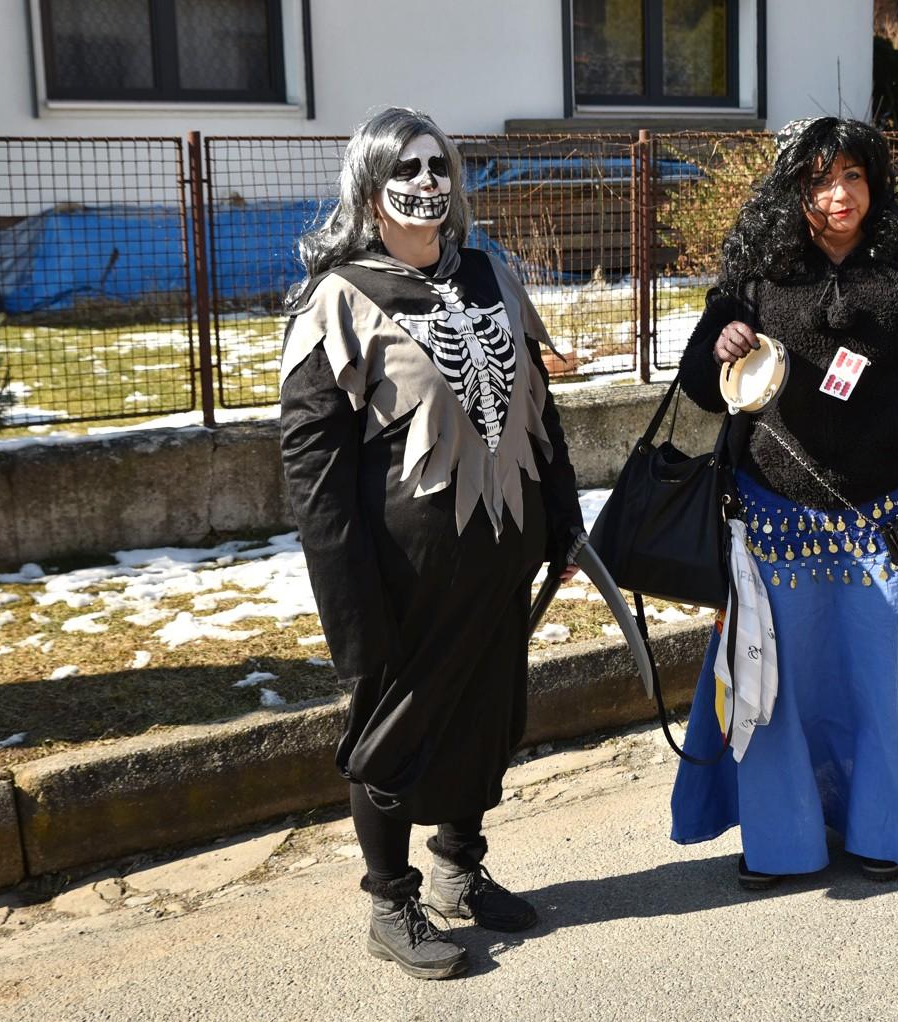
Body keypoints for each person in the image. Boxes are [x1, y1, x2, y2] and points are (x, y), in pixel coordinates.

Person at [669, 116, 898, 888]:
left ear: (876, 182)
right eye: (821, 180)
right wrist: (721, 345)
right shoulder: (756, 268)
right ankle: (782, 842)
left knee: (877, 677)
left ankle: (878, 830)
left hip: (889, 517)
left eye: (853, 176)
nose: (840, 195)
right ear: (793, 189)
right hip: (776, 517)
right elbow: (699, 381)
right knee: (775, 684)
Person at [278, 108, 584, 979]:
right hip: (405, 572)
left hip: (502, 551)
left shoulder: (490, 274)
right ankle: (390, 902)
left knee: (487, 714)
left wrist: (563, 518)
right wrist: (348, 601)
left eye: (437, 166)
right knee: (394, 733)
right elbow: (313, 471)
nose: (424, 183)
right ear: (369, 188)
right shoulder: (338, 300)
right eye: (403, 169)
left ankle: (458, 867)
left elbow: (541, 412)